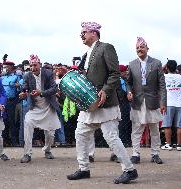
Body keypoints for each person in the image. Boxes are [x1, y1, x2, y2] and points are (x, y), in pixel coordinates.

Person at [67, 21, 137, 184]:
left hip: (105, 102)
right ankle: (84, 168)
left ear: (94, 33)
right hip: (89, 103)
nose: (81, 35)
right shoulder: (86, 54)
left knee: (111, 137)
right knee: (80, 134)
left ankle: (130, 170)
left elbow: (115, 73)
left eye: (84, 32)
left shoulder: (106, 47)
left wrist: (105, 90)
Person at [127, 37, 166, 165]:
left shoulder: (156, 63)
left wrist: (162, 102)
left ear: (147, 49)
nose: (139, 49)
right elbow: (129, 83)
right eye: (137, 48)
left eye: (142, 47)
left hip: (153, 101)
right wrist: (129, 91)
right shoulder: (131, 64)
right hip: (137, 101)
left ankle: (155, 154)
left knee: (154, 129)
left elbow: (162, 85)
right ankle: (135, 154)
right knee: (137, 129)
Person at [19, 54, 60, 163]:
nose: (33, 68)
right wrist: (23, 93)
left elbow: (54, 88)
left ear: (40, 65)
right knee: (27, 124)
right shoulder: (27, 75)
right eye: (31, 65)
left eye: (35, 65)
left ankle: (47, 150)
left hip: (48, 106)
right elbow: (25, 87)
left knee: (50, 133)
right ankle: (27, 153)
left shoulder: (48, 73)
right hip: (34, 107)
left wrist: (41, 93)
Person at [161, 60, 181, 151]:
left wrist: (164, 66)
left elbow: (157, 73)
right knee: (179, 125)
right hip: (179, 103)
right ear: (176, 68)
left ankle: (168, 144)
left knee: (167, 125)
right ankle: (179, 145)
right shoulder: (180, 77)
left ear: (167, 68)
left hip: (168, 103)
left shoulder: (164, 76)